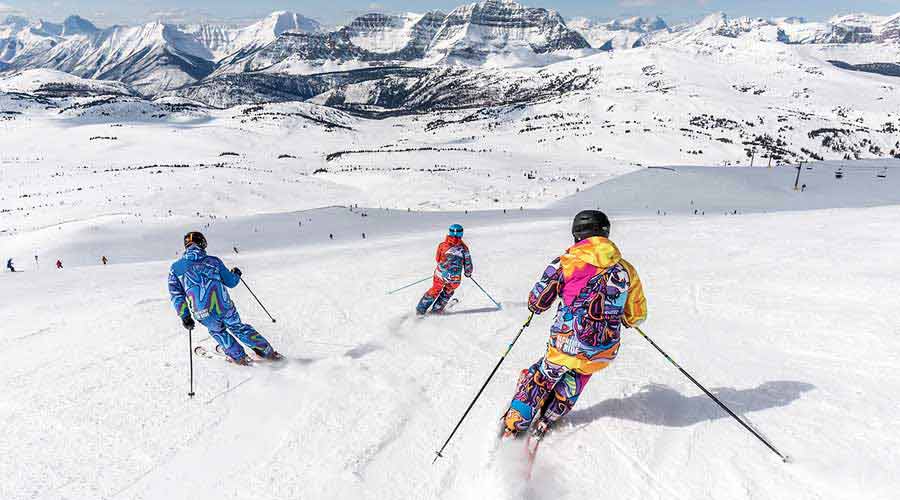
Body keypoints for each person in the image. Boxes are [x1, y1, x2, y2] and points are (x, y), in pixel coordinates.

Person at [500, 210, 647, 441]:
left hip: (565, 344)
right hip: (603, 349)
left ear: (577, 235)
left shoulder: (566, 262)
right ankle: (548, 418)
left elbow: (538, 301)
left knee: (544, 374)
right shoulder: (625, 269)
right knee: (578, 376)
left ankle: (516, 421)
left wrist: (535, 308)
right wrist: (625, 318)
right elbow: (636, 315)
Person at [168, 231, 281, 365]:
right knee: (238, 327)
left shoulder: (175, 268)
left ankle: (238, 356)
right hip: (224, 306)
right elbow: (231, 282)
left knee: (217, 331)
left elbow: (177, 295)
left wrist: (185, 316)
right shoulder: (213, 261)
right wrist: (236, 274)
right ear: (203, 244)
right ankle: (267, 352)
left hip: (202, 312)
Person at [416, 224, 473, 315]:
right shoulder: (464, 249)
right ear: (461, 234)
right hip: (454, 278)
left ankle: (421, 309)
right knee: (448, 290)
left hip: (440, 274)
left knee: (435, 289)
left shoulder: (442, 245)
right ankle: (437, 309)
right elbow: (468, 263)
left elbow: (437, 259)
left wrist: (443, 267)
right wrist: (468, 273)